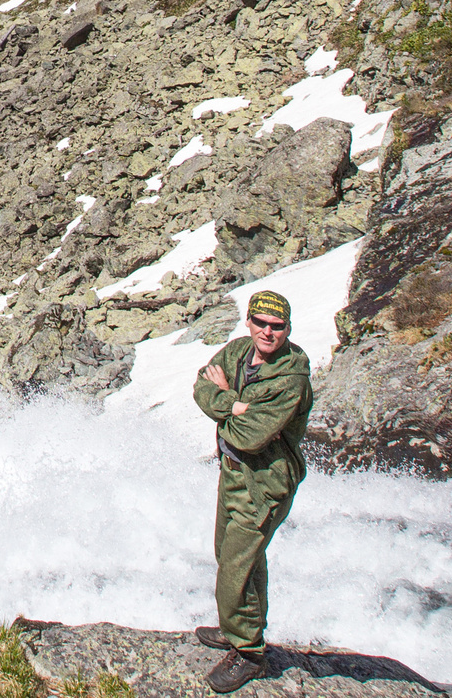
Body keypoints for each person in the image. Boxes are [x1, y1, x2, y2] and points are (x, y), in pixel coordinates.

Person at [189, 289, 312, 693]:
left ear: (288, 330)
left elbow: (250, 435)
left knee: (236, 569)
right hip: (234, 474)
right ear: (249, 322)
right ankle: (236, 628)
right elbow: (201, 385)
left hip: (264, 483)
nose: (268, 332)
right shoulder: (240, 351)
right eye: (261, 323)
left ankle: (249, 652)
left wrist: (229, 405)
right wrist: (236, 404)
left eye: (277, 327)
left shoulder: (290, 378)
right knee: (230, 553)